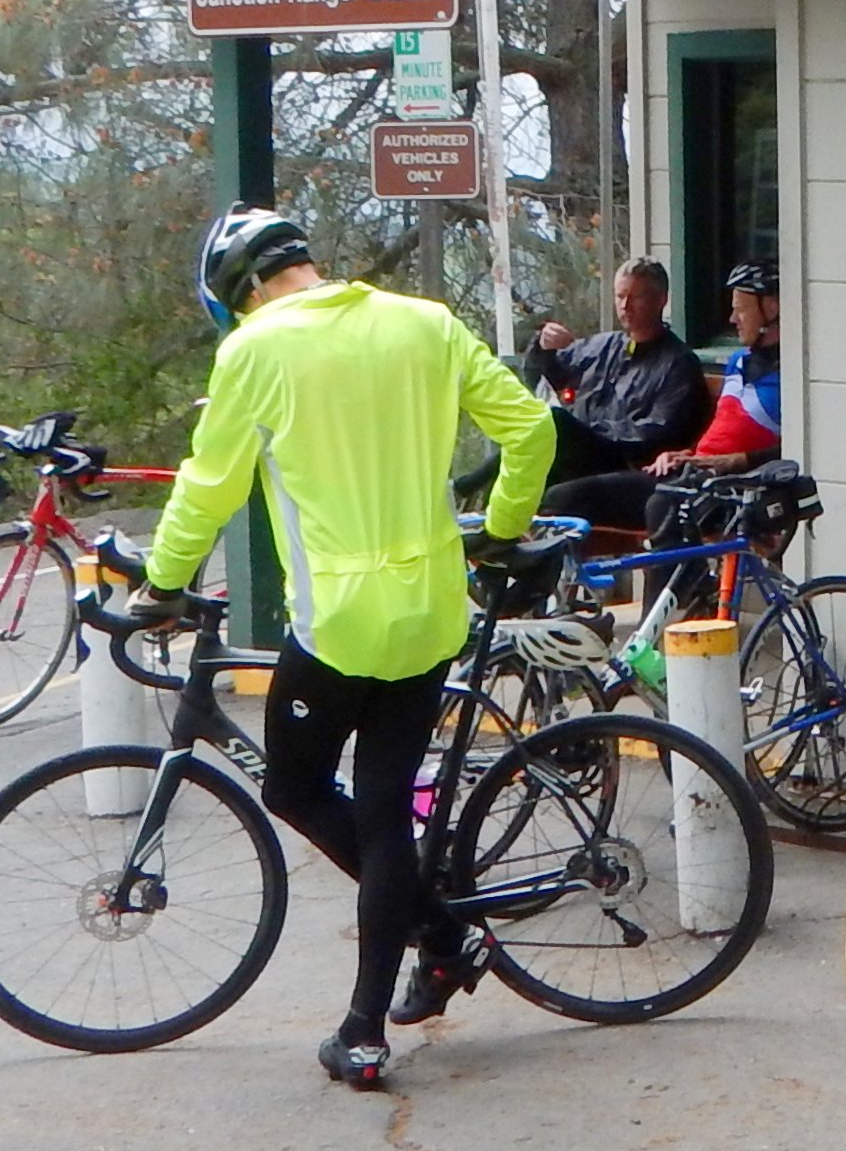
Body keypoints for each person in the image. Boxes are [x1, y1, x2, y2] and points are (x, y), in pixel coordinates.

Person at [128, 205, 558, 1093]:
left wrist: (161, 584)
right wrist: (500, 529)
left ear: (239, 292)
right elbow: (532, 429)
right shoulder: (425, 323)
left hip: (338, 623)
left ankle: (436, 941)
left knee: (294, 788)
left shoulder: (254, 350)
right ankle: (379, 1010)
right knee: (384, 811)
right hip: (432, 609)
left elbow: (208, 488)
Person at [525, 256, 714, 490]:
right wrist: (542, 347)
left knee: (555, 426)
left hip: (625, 465)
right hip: (579, 454)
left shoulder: (678, 364)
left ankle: (482, 491)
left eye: (636, 297)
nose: (625, 306)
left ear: (661, 300)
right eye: (620, 296)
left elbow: (656, 434)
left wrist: (587, 431)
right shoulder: (603, 346)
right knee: (534, 431)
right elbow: (543, 375)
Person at [647, 262, 784, 478]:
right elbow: (724, 432)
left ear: (771, 309)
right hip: (697, 471)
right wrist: (685, 454)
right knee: (591, 490)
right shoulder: (738, 361)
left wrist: (734, 461)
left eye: (741, 310)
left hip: (738, 482)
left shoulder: (790, 376)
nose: (732, 319)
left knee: (649, 499)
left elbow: (798, 449)